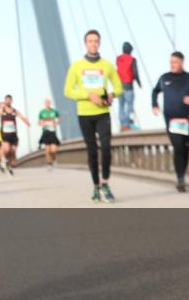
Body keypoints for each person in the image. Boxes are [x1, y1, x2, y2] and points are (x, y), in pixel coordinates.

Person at [64, 29, 123, 203]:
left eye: (96, 41)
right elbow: (68, 90)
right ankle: (96, 186)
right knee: (92, 152)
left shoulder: (107, 65)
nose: (93, 44)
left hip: (103, 113)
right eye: (90, 41)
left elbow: (119, 87)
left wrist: (112, 95)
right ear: (85, 43)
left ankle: (105, 183)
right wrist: (88, 95)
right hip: (85, 114)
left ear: (99, 43)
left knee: (106, 148)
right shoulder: (76, 66)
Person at [152, 51, 189, 192]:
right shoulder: (164, 78)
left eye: (175, 62)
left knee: (186, 148)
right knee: (178, 147)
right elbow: (155, 91)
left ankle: (182, 175)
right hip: (171, 120)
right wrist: (154, 105)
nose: (172, 65)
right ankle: (180, 178)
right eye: (171, 62)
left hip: (187, 120)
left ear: (181, 63)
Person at [0, 96, 30, 175]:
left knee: (13, 151)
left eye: (9, 100)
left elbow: (21, 116)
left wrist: (26, 122)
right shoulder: (2, 110)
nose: (8, 101)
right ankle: (3, 161)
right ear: (5, 101)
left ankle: (8, 165)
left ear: (11, 101)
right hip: (5, 134)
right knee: (7, 149)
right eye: (6, 100)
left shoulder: (14, 111)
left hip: (13, 135)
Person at [116, 42, 142, 131]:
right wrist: (139, 83)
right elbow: (135, 72)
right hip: (128, 86)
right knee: (129, 105)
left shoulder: (118, 59)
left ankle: (122, 124)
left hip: (119, 86)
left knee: (121, 106)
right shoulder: (132, 59)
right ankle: (127, 124)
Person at [37, 98, 61, 170]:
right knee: (47, 149)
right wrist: (42, 124)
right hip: (45, 132)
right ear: (44, 103)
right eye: (46, 102)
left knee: (54, 150)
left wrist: (56, 122)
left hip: (53, 132)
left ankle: (53, 158)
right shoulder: (42, 112)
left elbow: (59, 118)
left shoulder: (54, 111)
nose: (47, 103)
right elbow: (39, 122)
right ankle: (49, 164)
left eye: (48, 102)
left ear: (50, 103)